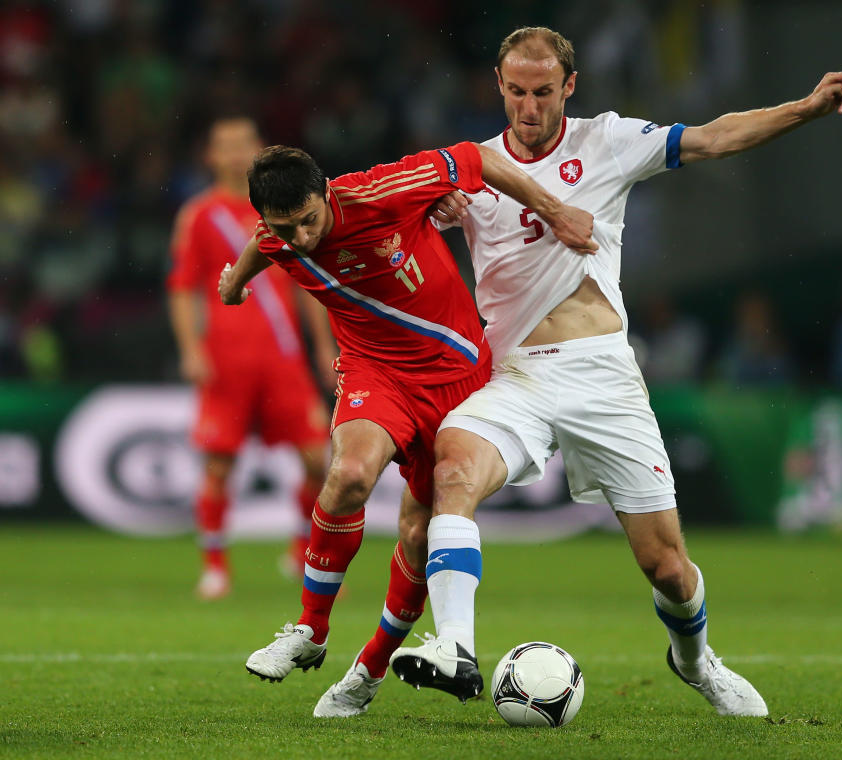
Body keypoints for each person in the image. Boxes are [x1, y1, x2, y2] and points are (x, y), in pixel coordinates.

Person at [390, 26, 842, 716]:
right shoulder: (471, 169)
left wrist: (804, 107)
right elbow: (389, 234)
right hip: (515, 375)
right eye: (517, 93)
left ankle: (696, 661)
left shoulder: (608, 141)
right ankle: (455, 649)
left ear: (570, 88)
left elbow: (712, 137)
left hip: (603, 375)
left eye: (543, 93)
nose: (529, 108)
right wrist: (433, 216)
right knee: (454, 470)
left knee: (668, 568)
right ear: (500, 87)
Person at [219, 139, 594, 717]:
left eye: (307, 221)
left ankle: (368, 670)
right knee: (347, 474)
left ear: (325, 192)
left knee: (420, 537)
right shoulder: (279, 234)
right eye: (284, 228)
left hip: (456, 377)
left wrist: (553, 209)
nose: (300, 239)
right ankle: (310, 629)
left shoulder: (380, 191)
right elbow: (261, 247)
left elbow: (476, 156)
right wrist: (234, 284)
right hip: (376, 371)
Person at [167, 116, 335, 600]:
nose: (237, 154)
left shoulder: (284, 208)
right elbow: (182, 287)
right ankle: (215, 566)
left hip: (283, 360)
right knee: (219, 465)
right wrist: (191, 348)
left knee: (315, 458)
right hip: (228, 361)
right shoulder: (199, 214)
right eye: (227, 146)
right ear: (211, 155)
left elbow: (309, 285)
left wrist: (323, 347)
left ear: (260, 150)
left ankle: (304, 552)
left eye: (245, 144)